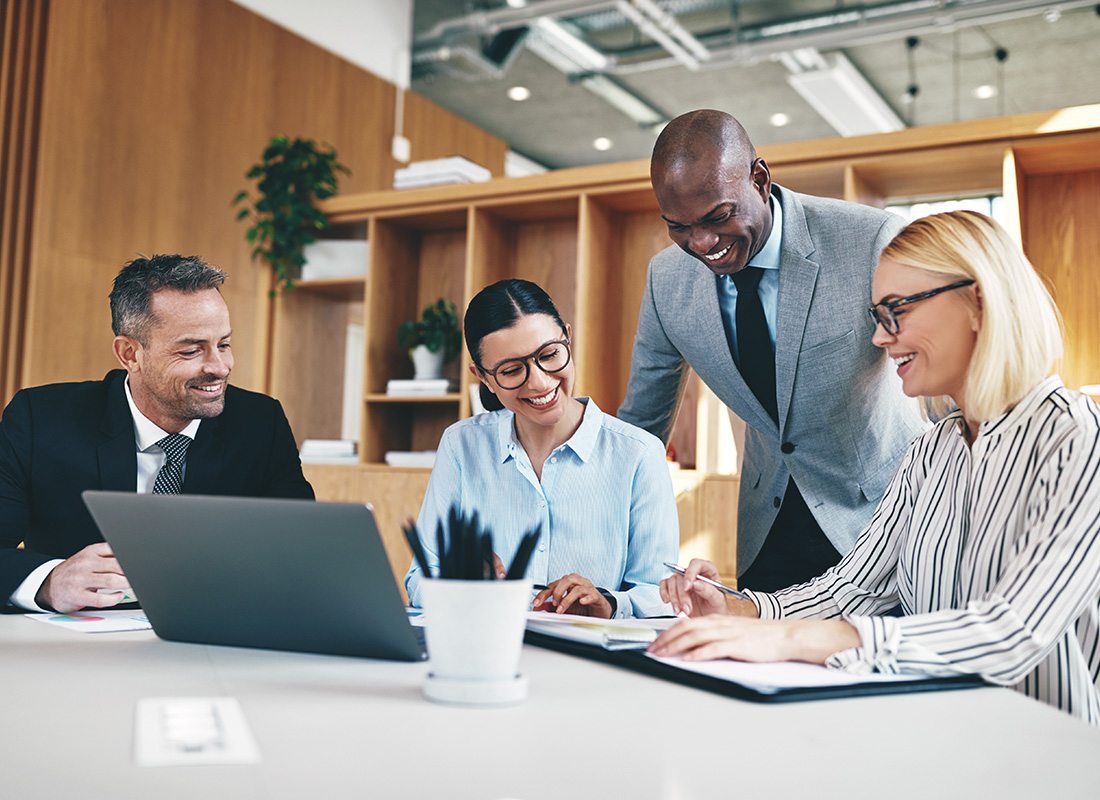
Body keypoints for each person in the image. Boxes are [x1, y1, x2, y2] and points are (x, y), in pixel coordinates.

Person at [650, 211, 1100, 725]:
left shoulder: (1079, 439)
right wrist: (737, 609)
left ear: (978, 300)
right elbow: (853, 587)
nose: (881, 338)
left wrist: (797, 638)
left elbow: (1012, 630)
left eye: (896, 311)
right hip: (937, 738)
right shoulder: (931, 453)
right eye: (877, 316)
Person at [618, 109, 926, 592]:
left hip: (885, 522)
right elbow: (640, 426)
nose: (702, 243)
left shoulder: (869, 240)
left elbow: (939, 371)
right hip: (768, 532)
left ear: (760, 179)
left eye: (718, 216)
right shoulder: (666, 280)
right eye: (678, 226)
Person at [0, 254, 314, 614]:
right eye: (191, 350)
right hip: (78, 650)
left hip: (212, 643)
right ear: (130, 354)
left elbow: (301, 555)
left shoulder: (261, 423)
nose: (219, 367)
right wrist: (48, 582)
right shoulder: (40, 419)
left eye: (223, 344)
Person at [405, 279, 678, 619]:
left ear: (567, 336)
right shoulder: (462, 446)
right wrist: (458, 584)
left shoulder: (639, 454)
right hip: (486, 647)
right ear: (484, 377)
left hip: (590, 664)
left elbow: (660, 598)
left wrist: (608, 604)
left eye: (549, 355)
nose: (539, 382)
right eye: (511, 370)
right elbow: (419, 579)